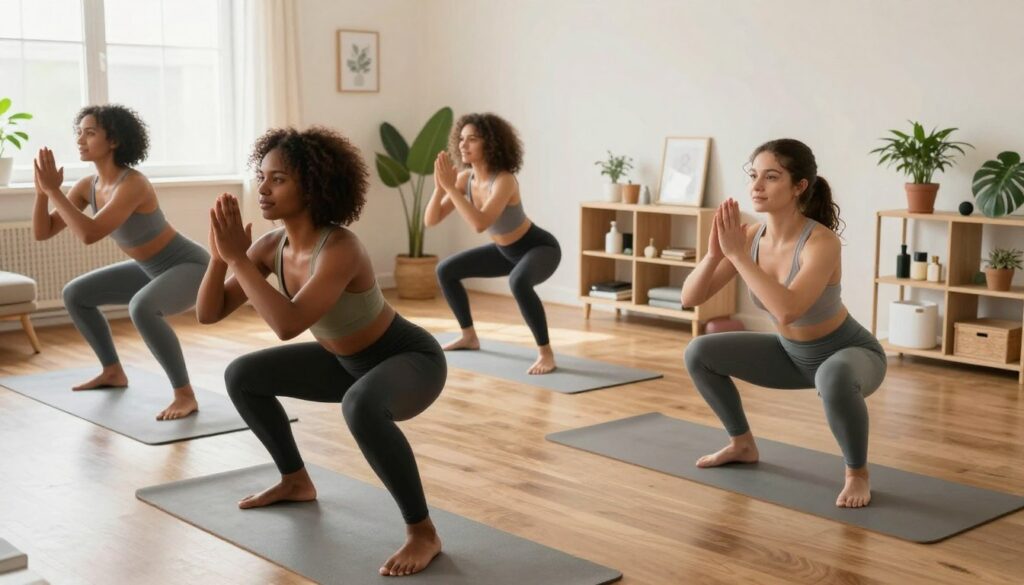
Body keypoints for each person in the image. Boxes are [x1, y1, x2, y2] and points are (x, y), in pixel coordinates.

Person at [196, 127, 446, 576]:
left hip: (408, 360)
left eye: (278, 179)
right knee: (242, 376)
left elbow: (288, 324)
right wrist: (220, 257)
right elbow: (208, 313)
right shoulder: (270, 246)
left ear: (312, 187)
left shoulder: (341, 248)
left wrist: (237, 260)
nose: (263, 188)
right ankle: (295, 481)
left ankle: (422, 532)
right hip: (343, 362)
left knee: (361, 405)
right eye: (262, 176)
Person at [681, 138, 886, 508]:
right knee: (699, 352)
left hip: (849, 355)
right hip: (791, 355)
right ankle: (742, 444)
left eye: (771, 177)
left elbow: (787, 310)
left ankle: (857, 474)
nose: (757, 186)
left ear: (799, 186)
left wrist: (738, 257)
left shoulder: (821, 242)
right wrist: (713, 256)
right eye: (753, 176)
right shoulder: (748, 238)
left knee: (833, 376)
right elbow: (690, 298)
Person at [32, 104, 209, 420]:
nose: (80, 140)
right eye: (79, 132)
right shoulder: (87, 186)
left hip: (189, 267)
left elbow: (90, 234)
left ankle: (185, 395)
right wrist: (42, 193)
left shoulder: (133, 184)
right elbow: (43, 232)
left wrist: (53, 190)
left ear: (113, 140)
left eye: (90, 133)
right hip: (149, 269)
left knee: (142, 308)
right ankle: (112, 371)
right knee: (76, 294)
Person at [425, 113, 561, 374]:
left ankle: (546, 353)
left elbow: (480, 223)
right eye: (461, 139)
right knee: (446, 270)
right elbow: (431, 220)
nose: (463, 145)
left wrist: (451, 189)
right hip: (505, 251)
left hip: (538, 248)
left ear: (490, 144)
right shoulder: (464, 180)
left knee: (519, 282)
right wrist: (441, 188)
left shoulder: (504, 180)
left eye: (472, 139)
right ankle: (469, 336)